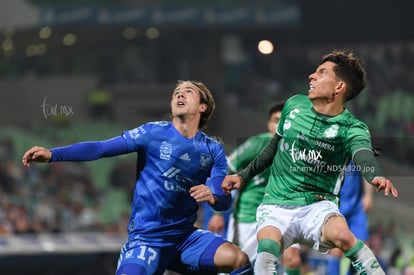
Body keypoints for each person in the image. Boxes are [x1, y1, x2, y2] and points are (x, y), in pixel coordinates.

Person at [22, 80, 252, 275]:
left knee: (238, 259)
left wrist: (213, 195)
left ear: (203, 107)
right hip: (147, 238)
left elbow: (223, 198)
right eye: (176, 93)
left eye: (188, 92)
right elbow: (101, 148)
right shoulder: (152, 132)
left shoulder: (212, 149)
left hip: (185, 238)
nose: (180, 94)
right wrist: (53, 154)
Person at [221, 50, 399, 275]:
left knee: (344, 236)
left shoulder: (352, 127)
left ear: (339, 87)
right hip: (277, 204)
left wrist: (374, 175)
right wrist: (243, 175)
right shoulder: (294, 105)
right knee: (267, 250)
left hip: (318, 205)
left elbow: (362, 152)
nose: (311, 76)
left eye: (322, 73)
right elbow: (273, 147)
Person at [206, 101, 285, 261]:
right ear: (269, 124)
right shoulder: (256, 144)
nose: (280, 126)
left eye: (284, 121)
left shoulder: (299, 149)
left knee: (291, 258)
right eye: (276, 121)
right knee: (238, 263)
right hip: (249, 215)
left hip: (282, 215)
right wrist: (217, 213)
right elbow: (225, 170)